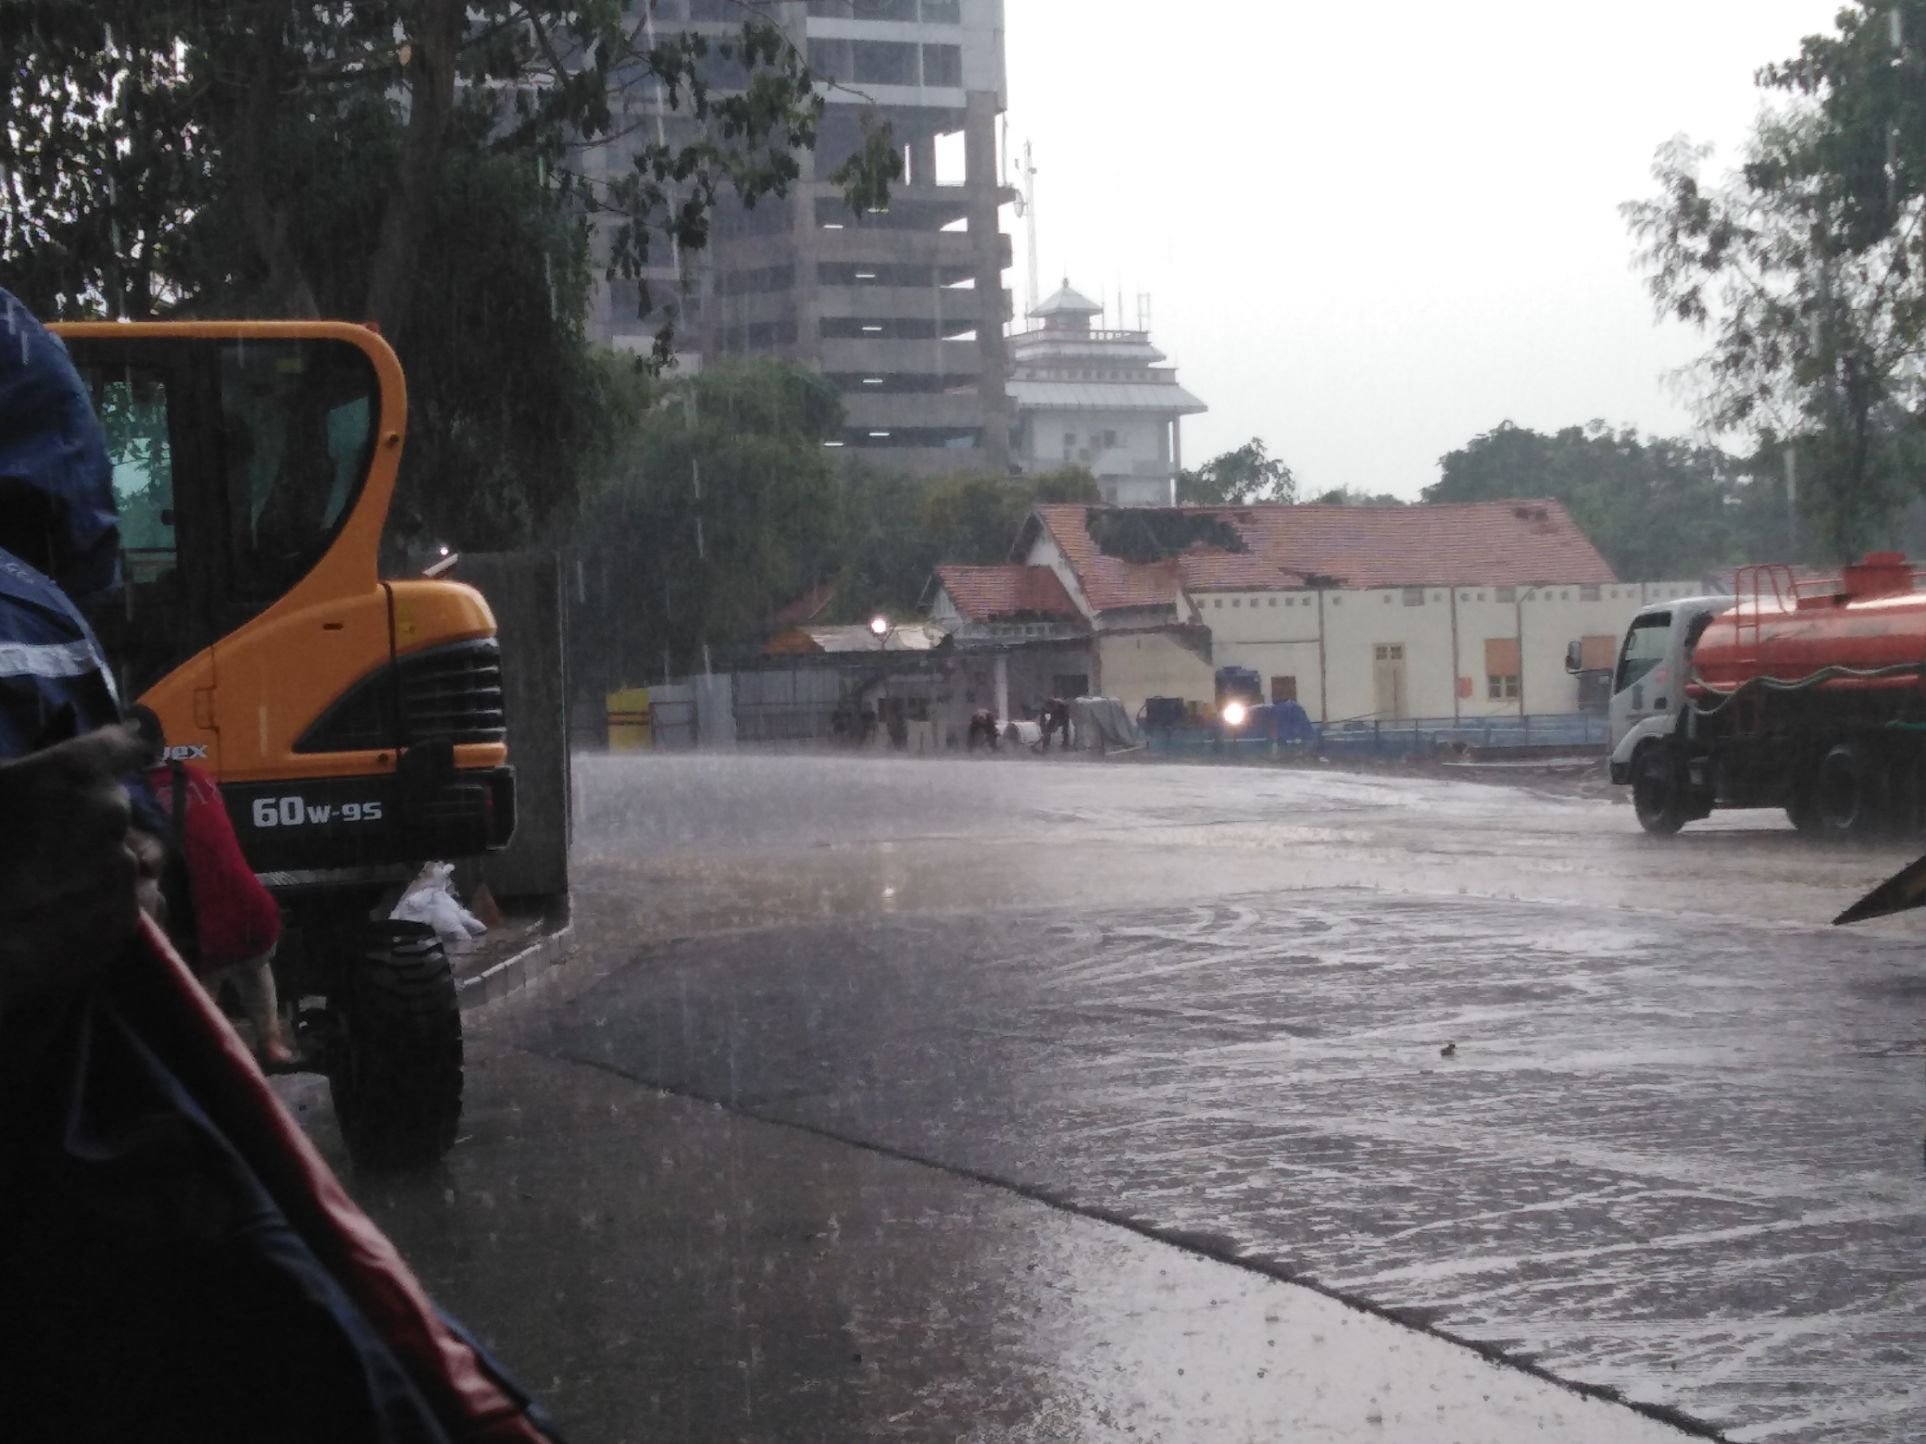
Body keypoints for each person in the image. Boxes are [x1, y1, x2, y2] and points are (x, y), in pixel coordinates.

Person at [129, 704, 293, 1064]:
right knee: (252, 967)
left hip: (198, 927)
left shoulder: (127, 800)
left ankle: (214, 1060)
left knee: (196, 992)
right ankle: (272, 1043)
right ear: (163, 745)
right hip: (252, 912)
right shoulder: (199, 778)